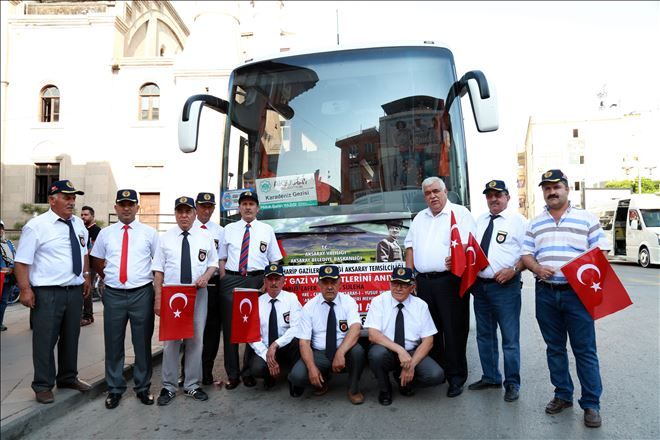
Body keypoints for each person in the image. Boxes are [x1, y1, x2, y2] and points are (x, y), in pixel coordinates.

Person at [521, 169, 611, 428]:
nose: (552, 191)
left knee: (585, 350)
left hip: (578, 294)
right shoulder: (535, 223)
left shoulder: (586, 219)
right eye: (547, 188)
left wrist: (580, 270)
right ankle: (562, 395)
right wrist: (537, 268)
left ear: (567, 189)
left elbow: (601, 250)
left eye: (556, 186)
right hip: (546, 293)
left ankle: (591, 404)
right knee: (555, 348)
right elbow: (526, 255)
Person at [13, 180, 93, 404]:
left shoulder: (78, 224)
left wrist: (85, 276)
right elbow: (21, 262)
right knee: (45, 340)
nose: (72, 202)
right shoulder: (36, 226)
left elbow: (83, 251)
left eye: (73, 197)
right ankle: (42, 385)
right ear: (52, 200)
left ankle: (68, 377)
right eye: (67, 197)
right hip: (48, 292)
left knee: (71, 337)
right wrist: (25, 289)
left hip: (74, 290)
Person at [404, 176, 475, 398]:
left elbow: (470, 243)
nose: (432, 196)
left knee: (454, 331)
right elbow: (409, 248)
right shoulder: (419, 219)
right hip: (424, 283)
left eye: (436, 191)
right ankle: (437, 373)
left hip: (450, 281)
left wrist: (458, 257)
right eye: (428, 193)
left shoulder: (460, 213)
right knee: (429, 331)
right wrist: (409, 278)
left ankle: (456, 377)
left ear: (445, 191)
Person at [90, 190, 159, 409]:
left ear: (137, 208)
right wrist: (109, 278)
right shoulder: (106, 234)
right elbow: (97, 260)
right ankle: (115, 389)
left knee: (142, 343)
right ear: (116, 207)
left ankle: (143, 387)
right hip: (114, 294)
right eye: (122, 204)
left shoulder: (150, 233)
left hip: (142, 293)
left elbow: (158, 264)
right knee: (113, 343)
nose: (126, 208)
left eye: (131, 204)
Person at [152, 196, 218, 406]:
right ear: (175, 213)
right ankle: (169, 386)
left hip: (197, 295)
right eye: (180, 211)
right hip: (172, 297)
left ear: (194, 213)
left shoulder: (204, 237)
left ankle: (191, 384)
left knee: (196, 339)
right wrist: (158, 298)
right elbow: (158, 271)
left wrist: (206, 277)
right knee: (172, 341)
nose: (184, 215)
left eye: (188, 211)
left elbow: (213, 263)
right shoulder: (165, 238)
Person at [468, 180, 527, 402]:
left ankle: (512, 383)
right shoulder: (480, 220)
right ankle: (491, 376)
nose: (493, 199)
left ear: (507, 197)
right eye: (489, 195)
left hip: (505, 287)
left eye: (498, 195)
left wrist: (514, 270)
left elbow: (528, 253)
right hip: (480, 287)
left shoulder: (518, 222)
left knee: (510, 338)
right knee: (484, 335)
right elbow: (471, 249)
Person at [218, 190, 282, 389]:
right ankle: (233, 374)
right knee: (230, 329)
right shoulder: (228, 229)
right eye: (244, 204)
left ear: (258, 208)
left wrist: (266, 281)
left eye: (251, 204)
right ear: (239, 208)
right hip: (232, 280)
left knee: (252, 327)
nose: (247, 207)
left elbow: (275, 259)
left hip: (256, 282)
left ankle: (247, 371)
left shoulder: (266, 229)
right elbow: (221, 257)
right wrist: (224, 278)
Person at [365, 267, 445, 406]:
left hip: (411, 352)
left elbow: (428, 341)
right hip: (387, 350)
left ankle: (404, 381)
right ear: (390, 284)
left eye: (404, 284)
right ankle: (385, 389)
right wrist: (399, 350)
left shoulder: (421, 305)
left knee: (436, 375)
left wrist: (411, 365)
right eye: (395, 284)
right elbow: (373, 335)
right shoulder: (379, 301)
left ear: (412, 287)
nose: (399, 288)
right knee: (376, 354)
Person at [288, 265, 365, 405]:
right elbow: (304, 342)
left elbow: (355, 329)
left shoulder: (348, 301)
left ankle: (353, 389)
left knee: (358, 351)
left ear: (340, 283)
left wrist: (340, 352)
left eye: (333, 282)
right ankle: (322, 380)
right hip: (320, 353)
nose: (329, 287)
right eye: (325, 282)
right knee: (297, 377)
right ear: (318, 284)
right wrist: (311, 368)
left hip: (343, 349)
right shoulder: (309, 307)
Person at [244, 264, 302, 389]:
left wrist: (275, 345)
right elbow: (252, 335)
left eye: (277, 279)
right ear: (264, 281)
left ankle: (294, 377)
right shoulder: (257, 303)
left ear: (283, 281)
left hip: (285, 346)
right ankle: (269, 375)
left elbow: (296, 328)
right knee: (257, 369)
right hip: (266, 347)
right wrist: (267, 354)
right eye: (270, 279)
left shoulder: (291, 298)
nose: (274, 282)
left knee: (297, 341)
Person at [192, 192, 226, 386]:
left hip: (213, 284)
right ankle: (186, 372)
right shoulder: (188, 227)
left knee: (212, 331)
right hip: (192, 286)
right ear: (196, 207)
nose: (206, 210)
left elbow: (221, 259)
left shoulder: (220, 231)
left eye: (209, 207)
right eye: (203, 206)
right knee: (192, 330)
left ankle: (206, 372)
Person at [80, 205, 101, 326]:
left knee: (86, 289)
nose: (83, 217)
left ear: (92, 216)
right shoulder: (81, 229)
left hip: (92, 265)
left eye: (86, 214)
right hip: (82, 265)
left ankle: (88, 316)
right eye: (82, 214)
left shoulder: (96, 231)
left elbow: (92, 249)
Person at [1, 220, 17, 331]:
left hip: (7, 278)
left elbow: (14, 257)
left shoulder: (8, 243)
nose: (0, 230)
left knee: (3, 302)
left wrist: (11, 268)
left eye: (1, 228)